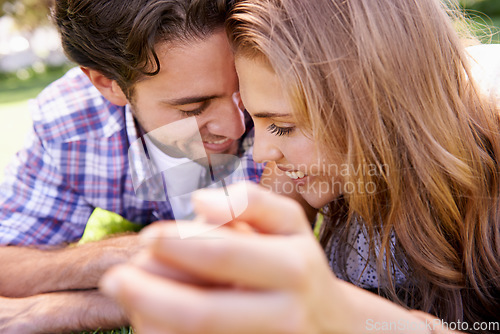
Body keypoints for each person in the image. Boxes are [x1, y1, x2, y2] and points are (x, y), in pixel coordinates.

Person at [101, 0, 500, 333]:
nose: (260, 154)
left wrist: (346, 314)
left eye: (283, 126)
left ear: (378, 106)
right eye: (256, 120)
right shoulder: (345, 186)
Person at [0, 0, 269, 332]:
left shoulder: (279, 91)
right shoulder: (69, 123)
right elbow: (7, 260)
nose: (236, 126)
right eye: (194, 108)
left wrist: (67, 307)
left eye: (241, 89)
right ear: (107, 83)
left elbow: (251, 273)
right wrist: (111, 258)